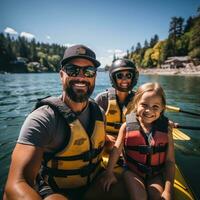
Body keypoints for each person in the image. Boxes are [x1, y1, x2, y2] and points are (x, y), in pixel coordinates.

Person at [4, 44, 106, 200]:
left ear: (94, 77)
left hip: (93, 185)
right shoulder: (42, 119)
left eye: (89, 71)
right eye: (72, 70)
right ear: (61, 75)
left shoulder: (99, 113)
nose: (81, 77)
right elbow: (16, 184)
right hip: (56, 192)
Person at [101, 82, 175, 200]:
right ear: (136, 104)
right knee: (139, 197)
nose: (148, 111)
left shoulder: (166, 130)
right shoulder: (126, 126)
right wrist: (109, 173)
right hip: (132, 171)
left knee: (157, 196)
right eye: (144, 105)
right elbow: (116, 151)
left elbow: (170, 162)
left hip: (156, 174)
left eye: (155, 106)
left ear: (162, 108)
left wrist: (168, 190)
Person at [95, 58, 139, 151]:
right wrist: (105, 137)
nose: (124, 79)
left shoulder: (139, 99)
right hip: (107, 140)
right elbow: (92, 124)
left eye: (128, 75)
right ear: (113, 78)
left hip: (129, 140)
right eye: (119, 76)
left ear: (133, 77)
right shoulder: (102, 99)